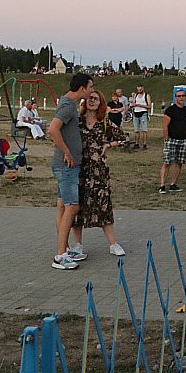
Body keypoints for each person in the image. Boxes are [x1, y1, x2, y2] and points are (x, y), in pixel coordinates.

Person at [70, 90, 127, 258]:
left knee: (103, 204)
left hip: (98, 170)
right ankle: (78, 244)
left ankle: (112, 244)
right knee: (78, 206)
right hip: (80, 169)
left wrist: (108, 145)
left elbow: (123, 138)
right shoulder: (78, 122)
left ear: (100, 102)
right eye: (89, 98)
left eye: (95, 99)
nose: (92, 101)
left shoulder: (105, 122)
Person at [48, 72, 94, 270]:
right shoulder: (67, 106)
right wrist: (67, 152)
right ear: (82, 88)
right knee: (72, 207)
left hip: (67, 165)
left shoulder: (69, 103)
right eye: (90, 87)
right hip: (66, 166)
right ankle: (60, 255)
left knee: (62, 206)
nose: (91, 91)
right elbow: (53, 129)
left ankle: (65, 248)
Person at [159, 89, 186, 194]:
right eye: (179, 96)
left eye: (183, 96)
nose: (181, 98)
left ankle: (173, 184)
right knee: (167, 162)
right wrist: (167, 138)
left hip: (183, 140)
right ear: (175, 98)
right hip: (171, 140)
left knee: (179, 163)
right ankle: (162, 185)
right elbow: (165, 125)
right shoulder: (170, 110)